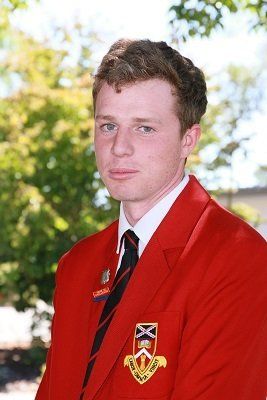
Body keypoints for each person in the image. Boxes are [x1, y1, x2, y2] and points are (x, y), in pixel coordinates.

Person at [35, 39, 267, 400]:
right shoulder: (76, 266)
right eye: (108, 125)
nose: (119, 147)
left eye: (144, 128)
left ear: (188, 140)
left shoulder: (237, 258)